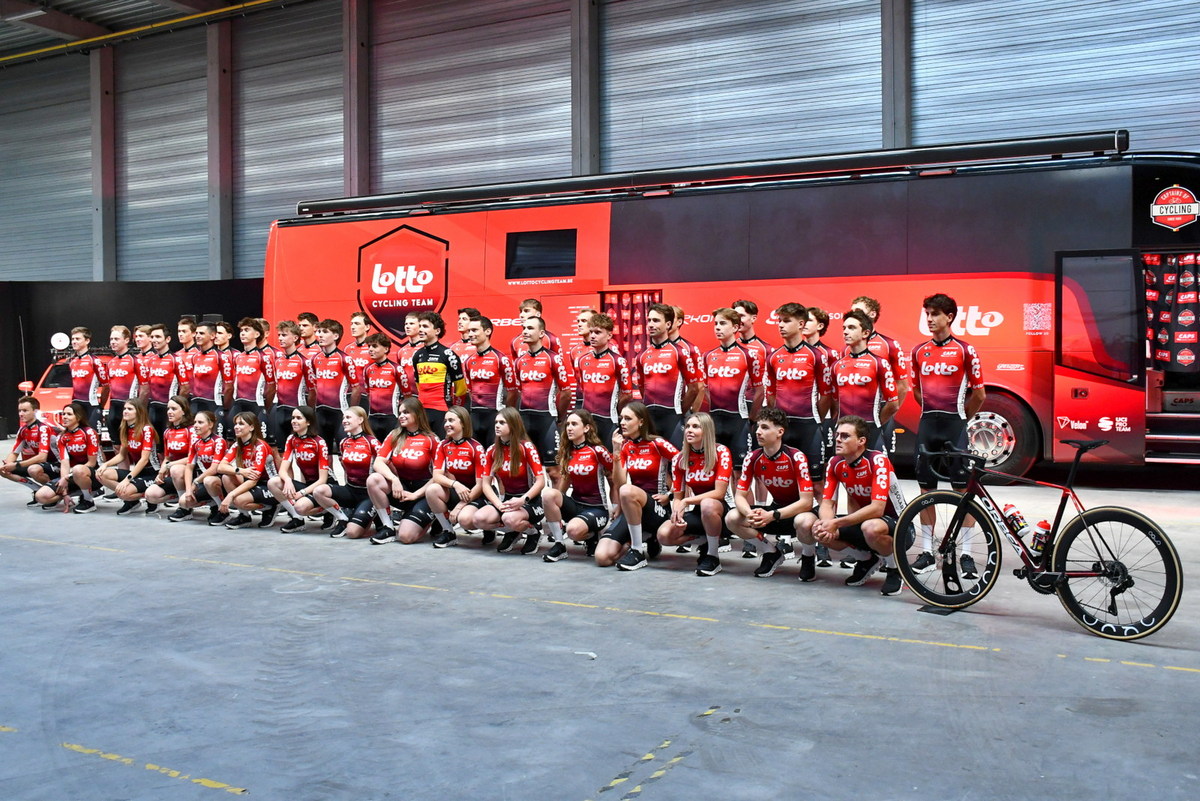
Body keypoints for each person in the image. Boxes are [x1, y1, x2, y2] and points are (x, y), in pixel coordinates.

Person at [909, 292, 987, 575]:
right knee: (926, 490)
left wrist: (961, 418)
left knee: (962, 490)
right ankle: (927, 552)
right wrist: (933, 412)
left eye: (935, 314)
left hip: (955, 427)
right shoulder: (918, 351)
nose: (929, 319)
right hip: (928, 426)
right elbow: (916, 390)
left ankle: (966, 554)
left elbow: (980, 394)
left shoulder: (966, 350)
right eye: (927, 314)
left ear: (949, 317)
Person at [796, 415, 904, 595]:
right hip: (863, 524)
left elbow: (877, 508)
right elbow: (827, 503)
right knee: (818, 529)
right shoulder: (835, 462)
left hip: (897, 525)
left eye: (845, 436)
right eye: (837, 435)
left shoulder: (878, 461)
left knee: (871, 527)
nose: (838, 439)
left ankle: (894, 569)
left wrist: (836, 523)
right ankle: (866, 559)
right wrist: (826, 524)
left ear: (861, 441)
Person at [725, 407, 815, 578]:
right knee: (732, 518)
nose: (758, 432)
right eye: (758, 427)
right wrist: (749, 513)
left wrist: (772, 515)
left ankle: (808, 557)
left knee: (803, 522)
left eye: (765, 427)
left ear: (780, 432)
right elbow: (740, 496)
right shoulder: (752, 457)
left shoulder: (796, 457)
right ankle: (770, 552)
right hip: (775, 510)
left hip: (799, 512)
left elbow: (806, 502)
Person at [598, 401, 679, 570]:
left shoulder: (658, 443)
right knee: (602, 557)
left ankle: (637, 551)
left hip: (657, 507)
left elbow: (686, 465)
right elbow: (619, 482)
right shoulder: (625, 446)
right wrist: (616, 452)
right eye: (621, 418)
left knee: (627, 491)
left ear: (641, 421)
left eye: (628, 419)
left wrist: (671, 495)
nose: (622, 422)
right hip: (632, 505)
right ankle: (641, 537)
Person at [655, 412, 734, 577]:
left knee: (707, 504)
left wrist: (687, 501)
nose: (689, 430)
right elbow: (678, 497)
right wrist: (677, 514)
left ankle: (713, 556)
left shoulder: (721, 452)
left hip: (722, 512)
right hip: (699, 512)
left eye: (696, 427)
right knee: (664, 535)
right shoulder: (679, 458)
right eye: (688, 426)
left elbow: (719, 493)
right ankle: (705, 541)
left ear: (706, 431)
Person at [458, 406, 546, 555]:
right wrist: (498, 504)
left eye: (502, 423)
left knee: (509, 518)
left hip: (530, 501)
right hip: (506, 500)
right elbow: (486, 484)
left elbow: (540, 481)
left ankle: (534, 532)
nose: (497, 426)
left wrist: (523, 500)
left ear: (513, 425)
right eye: (496, 422)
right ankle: (512, 532)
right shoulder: (492, 450)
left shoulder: (527, 447)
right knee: (479, 519)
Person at [540, 409, 615, 562]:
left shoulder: (598, 451)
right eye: (568, 424)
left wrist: (616, 508)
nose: (569, 428)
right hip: (576, 505)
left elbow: (613, 480)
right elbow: (566, 480)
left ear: (586, 428)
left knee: (573, 531)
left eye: (574, 424)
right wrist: (555, 504)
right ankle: (559, 545)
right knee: (548, 494)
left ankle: (592, 535)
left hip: (596, 509)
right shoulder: (567, 451)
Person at [367, 397, 440, 545]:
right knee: (373, 480)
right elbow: (378, 463)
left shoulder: (432, 439)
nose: (401, 416)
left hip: (424, 494)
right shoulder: (394, 435)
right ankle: (388, 527)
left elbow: (439, 475)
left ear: (417, 414)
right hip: (402, 490)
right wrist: (394, 479)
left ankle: (435, 517)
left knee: (406, 537)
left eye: (406, 412)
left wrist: (416, 495)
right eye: (400, 413)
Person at [632, 303, 703, 448]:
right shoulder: (642, 356)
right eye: (649, 320)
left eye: (656, 320)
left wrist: (680, 411)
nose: (651, 324)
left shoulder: (680, 352)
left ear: (668, 324)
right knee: (649, 459)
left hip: (673, 417)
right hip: (649, 416)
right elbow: (642, 388)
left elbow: (694, 388)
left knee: (676, 459)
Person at [849, 296, 913, 453]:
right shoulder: (847, 347)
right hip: (854, 414)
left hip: (881, 412)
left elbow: (902, 386)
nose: (854, 314)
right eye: (852, 311)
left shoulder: (889, 344)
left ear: (872, 314)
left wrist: (885, 416)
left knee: (882, 462)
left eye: (858, 310)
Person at [515, 315, 574, 482]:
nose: (525, 332)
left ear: (541, 333)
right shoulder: (519, 361)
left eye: (530, 328)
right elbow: (518, 391)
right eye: (524, 328)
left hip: (546, 420)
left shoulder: (553, 358)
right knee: (524, 470)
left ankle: (557, 499)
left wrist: (560, 417)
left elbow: (566, 392)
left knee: (554, 471)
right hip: (524, 420)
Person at [701, 307, 763, 466]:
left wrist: (751, 419)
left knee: (740, 471)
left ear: (735, 327)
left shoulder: (749, 355)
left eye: (722, 323)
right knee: (713, 468)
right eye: (715, 324)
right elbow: (706, 388)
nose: (717, 327)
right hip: (714, 421)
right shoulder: (708, 355)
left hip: (738, 421)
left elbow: (759, 390)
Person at [831, 309, 898, 453]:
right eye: (844, 328)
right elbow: (836, 401)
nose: (845, 332)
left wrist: (875, 424)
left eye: (851, 328)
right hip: (843, 431)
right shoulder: (836, 365)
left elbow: (893, 404)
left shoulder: (879, 363)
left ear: (866, 333)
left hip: (871, 430)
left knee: (875, 467)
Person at [310, 406, 378, 539]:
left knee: (352, 533)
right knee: (319, 491)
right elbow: (345, 469)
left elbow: (385, 466)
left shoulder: (372, 442)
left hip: (368, 494)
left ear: (360, 420)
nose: (344, 421)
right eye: (343, 418)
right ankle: (342, 518)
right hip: (350, 490)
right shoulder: (343, 442)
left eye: (348, 417)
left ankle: (376, 517)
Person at [425, 406, 487, 549]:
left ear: (463, 423)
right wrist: (456, 484)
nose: (446, 424)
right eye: (445, 421)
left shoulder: (476, 447)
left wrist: (460, 506)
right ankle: (448, 531)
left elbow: (480, 485)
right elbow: (437, 476)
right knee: (432, 490)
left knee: (465, 520)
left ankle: (487, 528)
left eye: (451, 420)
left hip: (476, 495)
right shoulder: (443, 445)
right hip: (456, 491)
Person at [265, 405, 331, 533]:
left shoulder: (319, 442)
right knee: (273, 482)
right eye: (293, 418)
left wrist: (302, 493)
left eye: (299, 418)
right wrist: (288, 481)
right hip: (308, 484)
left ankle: (329, 511)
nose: (294, 421)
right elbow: (283, 470)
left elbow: (323, 480)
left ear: (308, 422)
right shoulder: (291, 439)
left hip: (324, 487)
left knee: (301, 506)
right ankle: (297, 519)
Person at [208, 411, 278, 530]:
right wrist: (240, 470)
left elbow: (253, 479)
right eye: (235, 424)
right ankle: (244, 516)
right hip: (251, 481)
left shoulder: (260, 446)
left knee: (238, 500)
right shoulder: (238, 445)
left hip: (269, 485)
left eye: (241, 424)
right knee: (226, 477)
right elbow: (220, 467)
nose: (236, 427)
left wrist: (230, 495)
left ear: (251, 427)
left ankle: (271, 507)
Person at [574, 312, 632, 447]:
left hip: (608, 420)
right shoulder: (582, 360)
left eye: (598, 332)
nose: (593, 336)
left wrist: (615, 409)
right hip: (586, 421)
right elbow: (583, 388)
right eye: (591, 332)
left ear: (609, 335)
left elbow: (628, 394)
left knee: (611, 458)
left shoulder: (618, 361)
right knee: (587, 457)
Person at [96, 397, 160, 516]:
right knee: (101, 474)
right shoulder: (126, 429)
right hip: (137, 472)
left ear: (139, 412)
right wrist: (105, 464)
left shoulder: (147, 429)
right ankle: (132, 501)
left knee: (124, 492)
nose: (125, 411)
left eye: (130, 409)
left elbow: (144, 459)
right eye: (125, 408)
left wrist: (127, 479)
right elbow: (121, 455)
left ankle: (150, 499)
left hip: (151, 473)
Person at [34, 401, 100, 513]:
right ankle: (72, 494)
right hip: (72, 475)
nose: (64, 417)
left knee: (78, 470)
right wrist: (64, 492)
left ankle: (88, 501)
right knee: (41, 497)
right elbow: (65, 463)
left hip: (93, 475)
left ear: (78, 417)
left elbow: (92, 463)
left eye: (69, 414)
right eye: (63, 414)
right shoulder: (62, 437)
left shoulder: (89, 432)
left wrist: (66, 478)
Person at [410, 311, 468, 434]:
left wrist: (454, 410)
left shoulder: (448, 354)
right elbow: (418, 385)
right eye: (420, 326)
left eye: (425, 326)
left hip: (442, 410)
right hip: (422, 411)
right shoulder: (417, 355)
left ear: (437, 331)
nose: (420, 330)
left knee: (441, 444)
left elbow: (461, 389)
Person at [462, 315, 517, 438]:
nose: (470, 334)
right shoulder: (468, 361)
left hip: (495, 415)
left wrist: (506, 414)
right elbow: (470, 390)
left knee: (496, 451)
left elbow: (512, 391)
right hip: (474, 416)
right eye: (469, 331)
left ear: (487, 331)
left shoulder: (500, 359)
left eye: (474, 330)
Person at [168, 410, 227, 524]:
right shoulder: (196, 443)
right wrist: (188, 490)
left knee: (209, 480)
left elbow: (214, 469)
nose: (195, 425)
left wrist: (195, 483)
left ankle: (223, 512)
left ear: (210, 425)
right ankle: (211, 504)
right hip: (203, 481)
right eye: (195, 422)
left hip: (220, 481)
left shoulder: (219, 442)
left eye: (200, 422)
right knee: (184, 502)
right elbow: (189, 468)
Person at [307, 318, 355, 454]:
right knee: (322, 454)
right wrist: (311, 412)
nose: (320, 335)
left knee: (344, 454)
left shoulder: (345, 359)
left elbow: (356, 388)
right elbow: (313, 387)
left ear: (335, 336)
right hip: (320, 413)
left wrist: (351, 412)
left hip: (340, 413)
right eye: (319, 332)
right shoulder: (315, 359)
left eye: (325, 332)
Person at [143, 396, 196, 512]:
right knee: (150, 495)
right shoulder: (168, 431)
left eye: (174, 409)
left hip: (192, 473)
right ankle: (178, 497)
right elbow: (167, 457)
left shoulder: (191, 430)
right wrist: (160, 473)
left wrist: (169, 465)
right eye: (168, 409)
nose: (169, 412)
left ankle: (185, 508)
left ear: (184, 411)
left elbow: (193, 458)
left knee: (176, 469)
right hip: (175, 474)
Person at [228, 317, 276, 440]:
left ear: (257, 334)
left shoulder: (263, 357)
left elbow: (271, 386)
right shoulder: (238, 357)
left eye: (247, 330)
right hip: (238, 404)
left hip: (256, 405)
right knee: (232, 440)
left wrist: (265, 406)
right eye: (241, 330)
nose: (243, 333)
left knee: (260, 442)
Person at [2, 396, 54, 501]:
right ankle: (37, 490)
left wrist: (16, 465)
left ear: (35, 411)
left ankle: (53, 491)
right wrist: (7, 465)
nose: (21, 414)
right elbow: (14, 453)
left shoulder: (43, 428)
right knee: (3, 469)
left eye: (25, 411)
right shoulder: (23, 430)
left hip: (56, 464)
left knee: (33, 469)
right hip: (40, 464)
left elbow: (42, 457)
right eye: (19, 411)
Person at [187, 322, 234, 437]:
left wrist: (224, 408)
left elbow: (229, 386)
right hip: (195, 404)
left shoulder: (221, 357)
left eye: (202, 333)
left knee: (216, 441)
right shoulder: (195, 357)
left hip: (213, 405)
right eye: (197, 333)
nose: (197, 336)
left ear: (212, 336)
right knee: (194, 440)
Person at [141, 323, 187, 439]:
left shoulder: (176, 360)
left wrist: (176, 407)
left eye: (158, 337)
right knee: (154, 445)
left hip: (168, 409)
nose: (154, 340)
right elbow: (146, 388)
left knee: (169, 443)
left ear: (167, 339)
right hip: (152, 408)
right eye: (152, 337)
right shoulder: (150, 361)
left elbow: (185, 387)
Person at [355, 332, 403, 437]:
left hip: (391, 418)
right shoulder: (367, 369)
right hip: (372, 418)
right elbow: (369, 394)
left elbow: (406, 395)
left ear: (386, 349)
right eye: (369, 346)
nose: (370, 349)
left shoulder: (396, 369)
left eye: (374, 346)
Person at [271, 320, 310, 447]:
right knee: (279, 448)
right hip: (280, 409)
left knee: (300, 448)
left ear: (295, 338)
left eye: (284, 335)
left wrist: (308, 411)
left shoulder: (303, 361)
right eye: (279, 335)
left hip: (297, 410)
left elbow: (312, 390)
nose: (280, 338)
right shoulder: (277, 361)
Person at [104, 326, 142, 447]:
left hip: (130, 407)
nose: (113, 342)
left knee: (133, 446)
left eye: (116, 339)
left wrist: (140, 408)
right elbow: (107, 386)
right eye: (111, 339)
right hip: (113, 408)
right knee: (116, 445)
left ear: (126, 340)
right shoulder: (111, 362)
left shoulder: (135, 361)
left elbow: (145, 387)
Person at [67, 326, 109, 429]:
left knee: (93, 436)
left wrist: (101, 405)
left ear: (87, 341)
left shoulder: (94, 361)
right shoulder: (72, 362)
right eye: (73, 339)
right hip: (76, 405)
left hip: (91, 405)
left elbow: (106, 385)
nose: (74, 341)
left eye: (78, 339)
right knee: (77, 436)